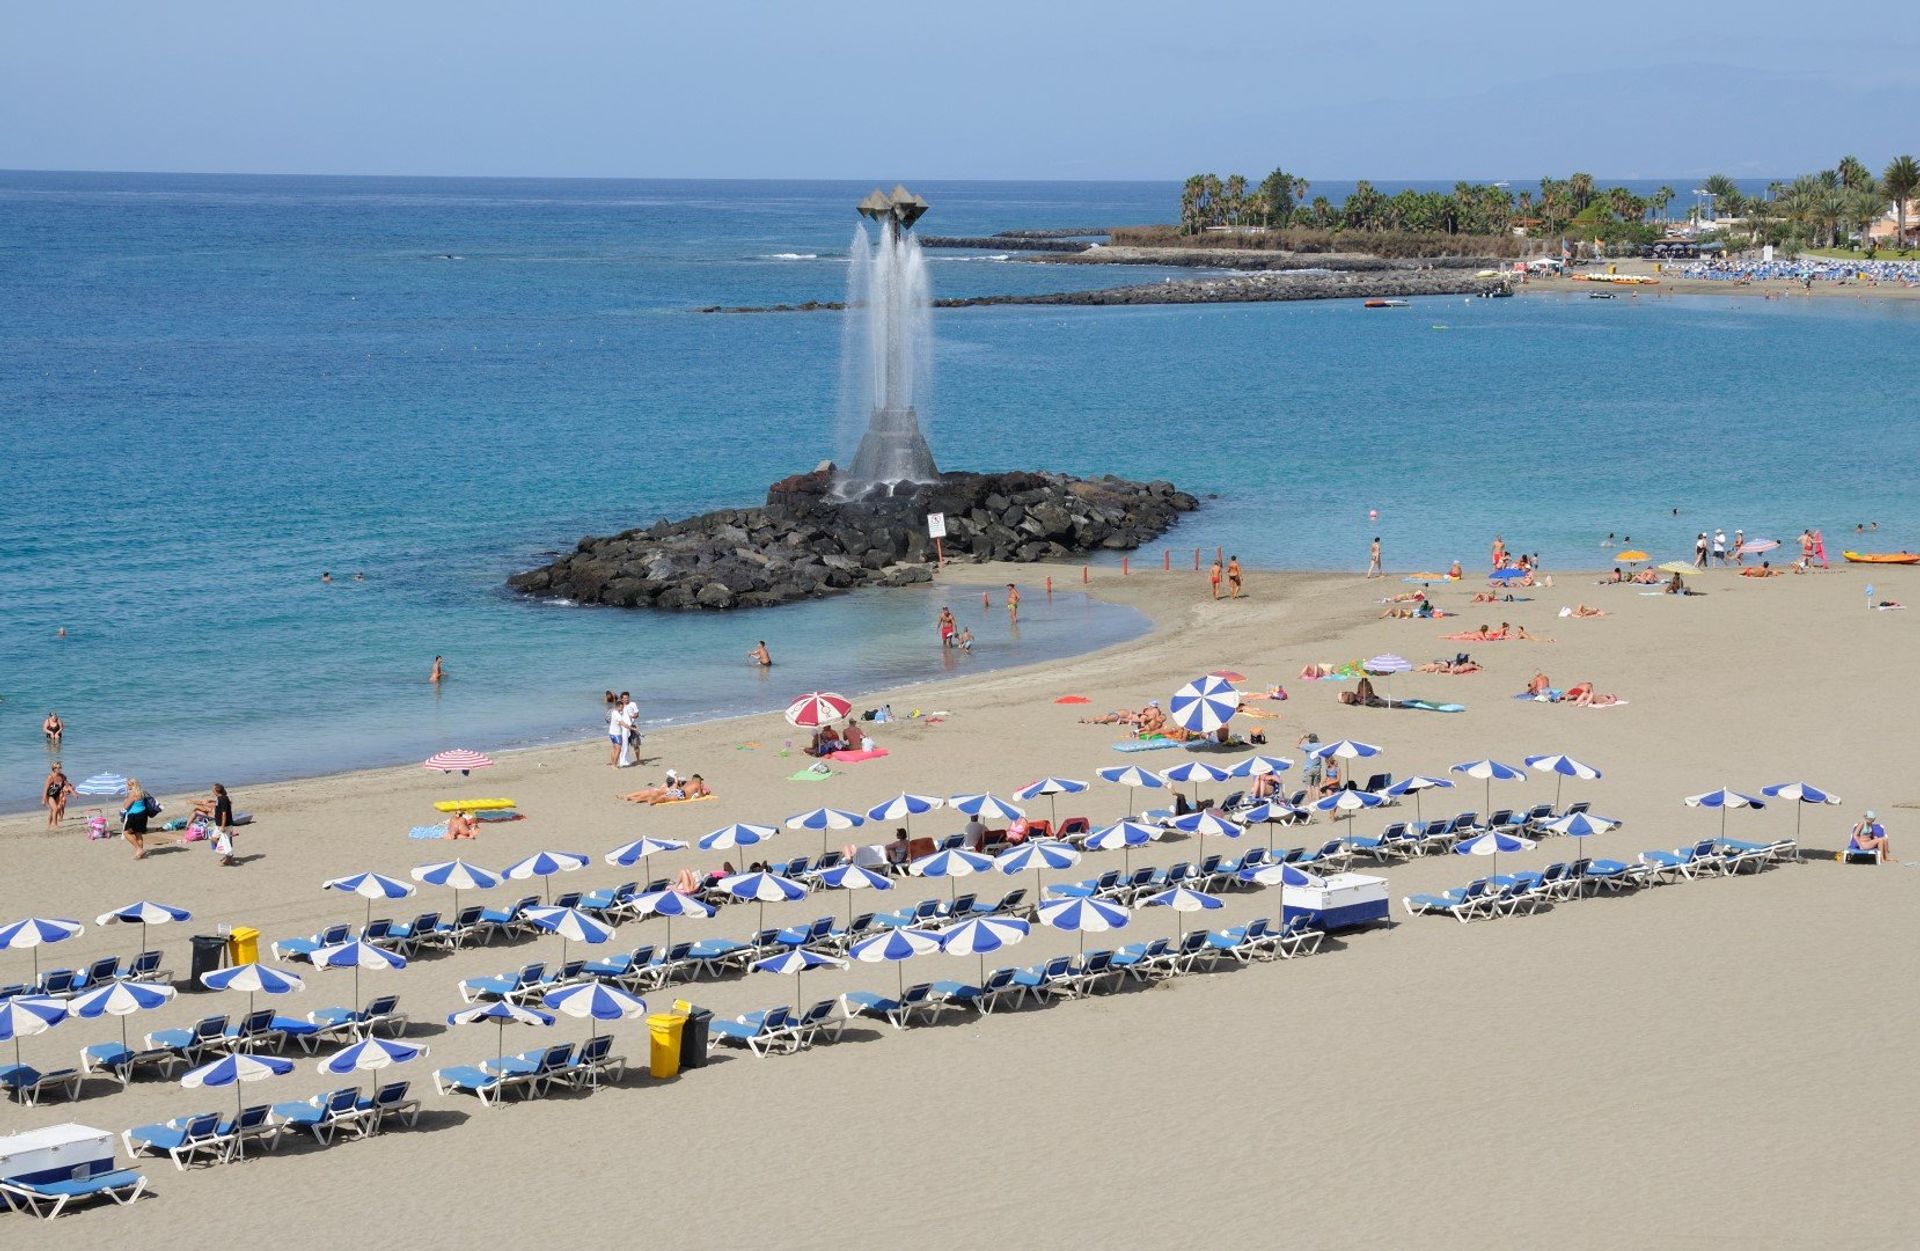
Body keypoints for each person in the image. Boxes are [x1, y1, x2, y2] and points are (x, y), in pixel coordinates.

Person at [121, 778, 156, 860]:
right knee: (138, 834)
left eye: (128, 784)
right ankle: (140, 854)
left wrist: (125, 800)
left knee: (126, 833)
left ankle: (139, 849)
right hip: (143, 814)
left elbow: (126, 806)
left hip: (134, 815)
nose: (127, 786)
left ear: (133, 785)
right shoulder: (142, 791)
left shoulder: (132, 793)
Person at [43, 763, 71, 829]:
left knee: (52, 811)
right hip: (50, 795)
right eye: (57, 768)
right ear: (54, 769)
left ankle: (49, 826)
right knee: (55, 809)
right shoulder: (51, 776)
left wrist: (74, 793)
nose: (59, 769)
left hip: (57, 795)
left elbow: (68, 785)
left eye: (60, 768)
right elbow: (46, 788)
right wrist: (44, 799)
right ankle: (55, 825)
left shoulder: (62, 776)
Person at [618, 692, 640, 768]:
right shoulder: (620, 706)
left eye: (627, 698)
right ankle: (625, 761)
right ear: (621, 699)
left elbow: (637, 714)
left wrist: (633, 716)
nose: (626, 699)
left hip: (633, 726)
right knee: (624, 745)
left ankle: (638, 760)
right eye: (624, 698)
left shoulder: (633, 704)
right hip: (623, 728)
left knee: (635, 744)